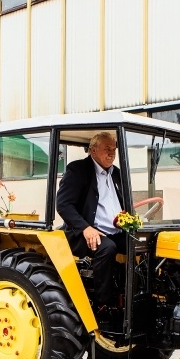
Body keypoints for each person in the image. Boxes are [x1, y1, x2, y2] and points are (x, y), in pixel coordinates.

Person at [56, 131, 126, 312]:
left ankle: (133, 293)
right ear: (93, 150)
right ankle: (104, 304)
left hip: (115, 230)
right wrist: (85, 228)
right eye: (106, 149)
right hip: (84, 232)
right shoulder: (78, 170)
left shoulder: (117, 174)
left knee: (141, 244)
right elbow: (63, 205)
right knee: (107, 248)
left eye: (114, 149)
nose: (111, 153)